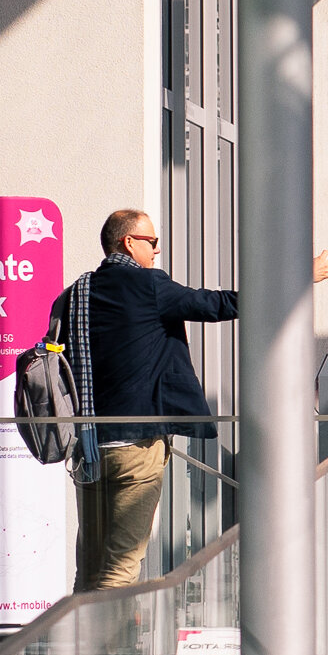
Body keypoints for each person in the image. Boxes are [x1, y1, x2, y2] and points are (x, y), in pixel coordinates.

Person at [73, 208, 240, 589]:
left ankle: (82, 630)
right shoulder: (148, 285)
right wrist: (295, 280)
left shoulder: (76, 294)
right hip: (136, 447)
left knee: (90, 567)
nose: (157, 250)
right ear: (129, 242)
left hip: (88, 446)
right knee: (121, 567)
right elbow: (215, 304)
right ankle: (110, 632)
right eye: (152, 242)